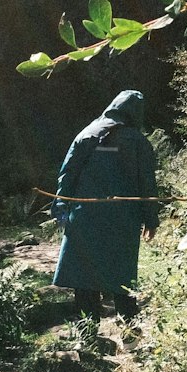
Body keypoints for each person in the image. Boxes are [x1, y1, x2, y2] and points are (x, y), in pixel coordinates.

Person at [51, 89, 158, 325]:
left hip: (84, 217)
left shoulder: (86, 135)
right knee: (122, 274)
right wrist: (151, 219)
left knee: (84, 277)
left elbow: (67, 175)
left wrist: (60, 207)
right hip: (123, 220)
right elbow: (147, 183)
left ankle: (87, 334)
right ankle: (130, 331)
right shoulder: (138, 142)